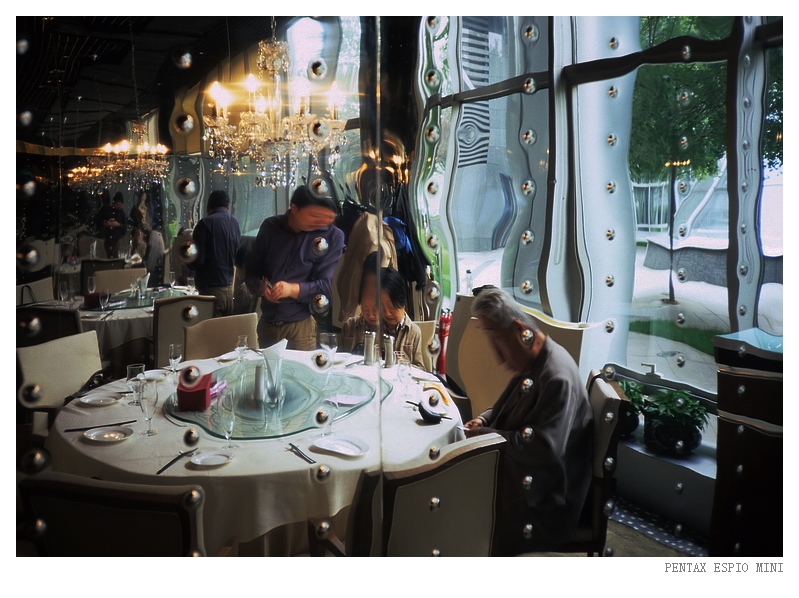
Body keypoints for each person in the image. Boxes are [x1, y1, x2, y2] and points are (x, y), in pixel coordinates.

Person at [463, 287, 593, 555]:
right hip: (530, 481)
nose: (498, 358)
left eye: (497, 341)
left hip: (547, 503)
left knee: (469, 506)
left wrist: (484, 434)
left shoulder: (556, 377)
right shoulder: (535, 360)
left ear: (520, 329)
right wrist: (483, 419)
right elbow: (504, 405)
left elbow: (543, 449)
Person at [245, 185, 344, 351]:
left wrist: (291, 289)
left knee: (300, 369)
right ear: (294, 208)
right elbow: (251, 274)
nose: (318, 221)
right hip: (267, 325)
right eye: (312, 215)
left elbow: (324, 287)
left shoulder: (331, 236)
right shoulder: (271, 227)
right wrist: (261, 288)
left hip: (300, 328)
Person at [191, 189, 241, 317]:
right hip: (229, 291)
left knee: (209, 329)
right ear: (228, 206)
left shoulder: (204, 224)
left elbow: (198, 260)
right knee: (226, 329)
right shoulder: (235, 223)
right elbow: (237, 253)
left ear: (208, 207)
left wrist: (188, 265)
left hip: (210, 293)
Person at [379, 265, 425, 369]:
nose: (387, 313)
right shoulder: (373, 326)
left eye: (391, 307)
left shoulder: (414, 332)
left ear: (403, 303)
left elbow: (421, 368)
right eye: (381, 306)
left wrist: (403, 364)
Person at [338, 251, 381, 354]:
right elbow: (338, 358)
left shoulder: (399, 330)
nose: (370, 315)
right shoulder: (349, 326)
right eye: (365, 308)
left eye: (375, 308)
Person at [100, 192, 127, 258]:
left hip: (118, 238)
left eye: (120, 205)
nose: (119, 206)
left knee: (115, 254)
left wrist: (118, 224)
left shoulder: (122, 213)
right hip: (108, 236)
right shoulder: (108, 210)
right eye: (117, 204)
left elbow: (125, 226)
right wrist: (106, 223)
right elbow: (101, 220)